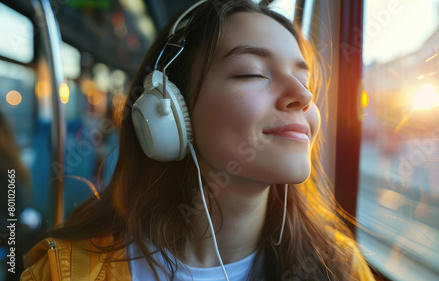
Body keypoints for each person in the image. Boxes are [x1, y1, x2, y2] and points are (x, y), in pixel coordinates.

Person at [21, 0, 375, 280]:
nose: (303, 96)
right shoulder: (61, 272)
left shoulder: (341, 267)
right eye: (252, 72)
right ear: (171, 111)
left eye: (305, 81)